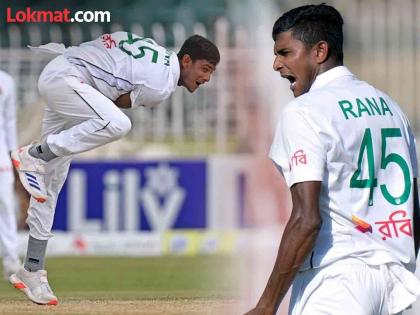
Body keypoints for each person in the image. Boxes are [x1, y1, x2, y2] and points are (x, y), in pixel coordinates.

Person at [10, 32, 220, 305]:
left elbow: (114, 42)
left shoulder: (157, 52)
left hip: (65, 76)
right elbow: (118, 102)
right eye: (204, 69)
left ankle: (32, 269)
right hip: (68, 80)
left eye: (211, 72)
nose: (206, 79)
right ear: (187, 60)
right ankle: (35, 153)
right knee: (118, 124)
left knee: (50, 185)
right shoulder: (162, 84)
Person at [246, 4, 420, 315]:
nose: (276, 64)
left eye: (285, 52)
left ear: (319, 51)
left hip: (337, 278)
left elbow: (306, 219)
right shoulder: (391, 107)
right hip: (399, 284)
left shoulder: (306, 111)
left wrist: (266, 305)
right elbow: (413, 207)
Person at [0, 70, 21, 281]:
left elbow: (9, 121)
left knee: (6, 205)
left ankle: (11, 260)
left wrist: (13, 153)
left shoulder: (6, 80)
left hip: (0, 155)